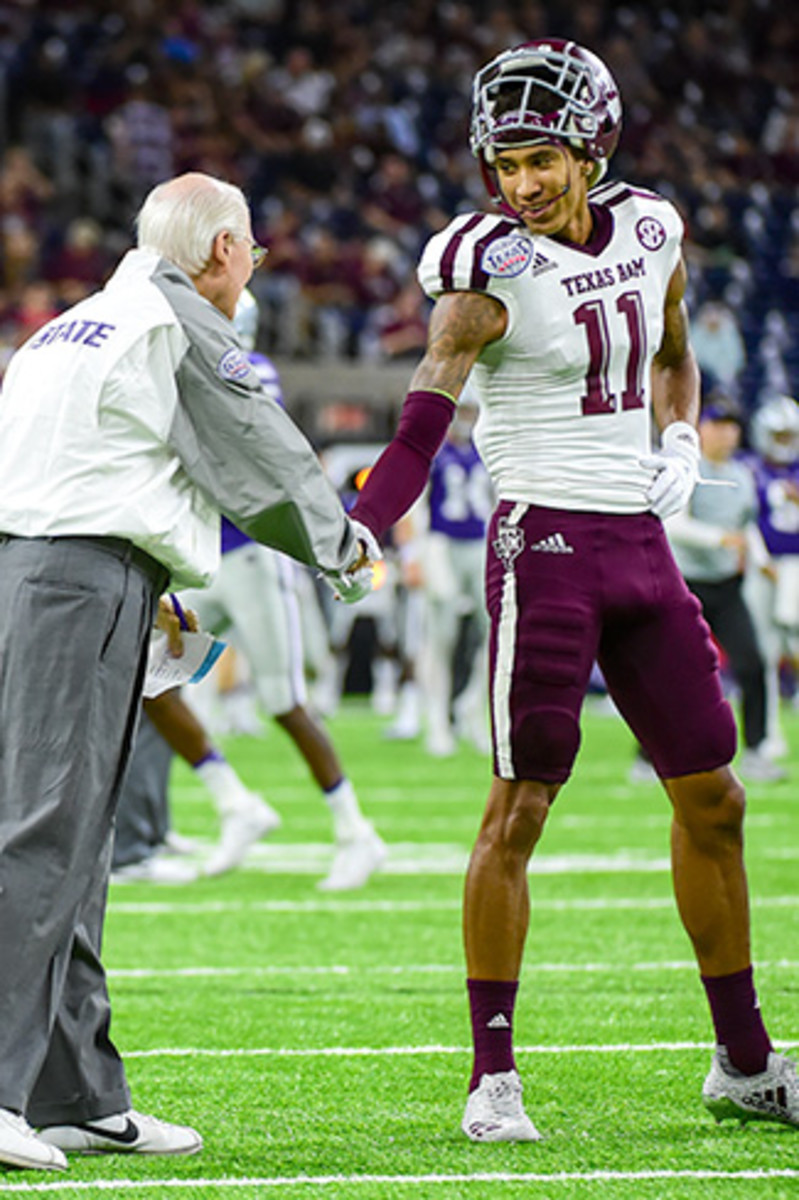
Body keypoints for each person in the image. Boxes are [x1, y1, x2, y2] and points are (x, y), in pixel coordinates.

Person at [348, 40, 798, 1141]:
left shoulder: (653, 229)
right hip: (540, 544)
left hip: (641, 545)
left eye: (541, 158)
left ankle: (743, 1060)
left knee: (716, 799)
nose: (521, 184)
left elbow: (673, 351)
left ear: (592, 150)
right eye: (503, 163)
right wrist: (360, 527)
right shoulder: (484, 269)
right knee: (520, 807)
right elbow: (426, 409)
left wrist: (682, 437)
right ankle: (490, 1076)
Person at [0, 171, 376, 1172]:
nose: (251, 263)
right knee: (44, 832)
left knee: (74, 839)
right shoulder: (175, 321)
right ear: (219, 251)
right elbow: (260, 450)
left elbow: (86, 464)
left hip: (51, 569)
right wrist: (345, 548)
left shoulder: (71, 323)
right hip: (76, 580)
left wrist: (150, 571)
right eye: (248, 246)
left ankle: (73, 1092)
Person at [176, 290, 387, 888]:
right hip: (200, 565)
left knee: (283, 700)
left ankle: (355, 831)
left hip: (252, 562)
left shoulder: (248, 368)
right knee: (153, 680)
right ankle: (235, 804)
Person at [664, 399, 783, 783]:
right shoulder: (686, 470)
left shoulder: (742, 475)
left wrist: (762, 559)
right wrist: (721, 540)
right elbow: (675, 526)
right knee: (672, 671)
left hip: (728, 586)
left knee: (752, 662)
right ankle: (650, 756)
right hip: (686, 584)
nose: (726, 433)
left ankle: (756, 751)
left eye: (733, 426)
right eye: (719, 425)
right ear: (701, 429)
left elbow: (745, 526)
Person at [743, 393, 799, 759]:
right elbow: (743, 518)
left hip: (795, 567)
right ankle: (767, 735)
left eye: (788, 436)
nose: (784, 444)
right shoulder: (749, 469)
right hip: (762, 567)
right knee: (763, 652)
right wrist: (759, 557)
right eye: (778, 436)